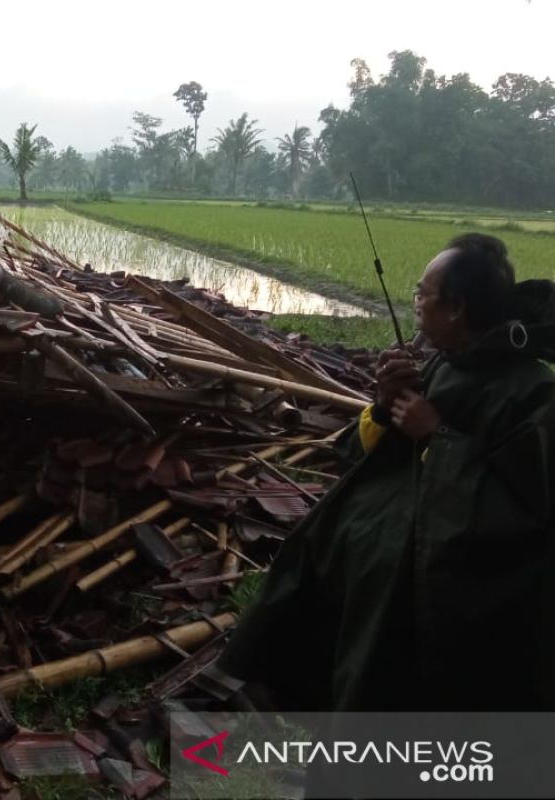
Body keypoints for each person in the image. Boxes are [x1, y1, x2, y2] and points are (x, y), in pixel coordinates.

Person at [219, 233, 555, 713]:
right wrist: (383, 405)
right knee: (314, 546)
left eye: (423, 294)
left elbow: (522, 515)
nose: (415, 304)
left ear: (456, 308)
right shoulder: (445, 363)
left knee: (384, 594)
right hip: (395, 522)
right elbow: (361, 458)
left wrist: (435, 437)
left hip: (456, 564)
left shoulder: (531, 393)